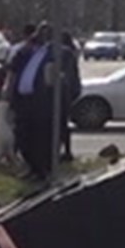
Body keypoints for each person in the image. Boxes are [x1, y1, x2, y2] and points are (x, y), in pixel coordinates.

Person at [7, 23, 56, 181]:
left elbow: (64, 80)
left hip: (42, 104)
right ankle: (31, 166)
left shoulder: (55, 54)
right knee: (22, 137)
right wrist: (8, 94)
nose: (40, 36)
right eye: (39, 33)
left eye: (46, 34)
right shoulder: (24, 53)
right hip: (22, 102)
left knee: (40, 139)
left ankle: (41, 170)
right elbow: (12, 73)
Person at [55, 31, 82, 162]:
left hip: (66, 91)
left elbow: (66, 75)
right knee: (62, 122)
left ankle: (64, 151)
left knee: (60, 122)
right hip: (70, 90)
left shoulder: (66, 54)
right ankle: (63, 150)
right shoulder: (70, 53)